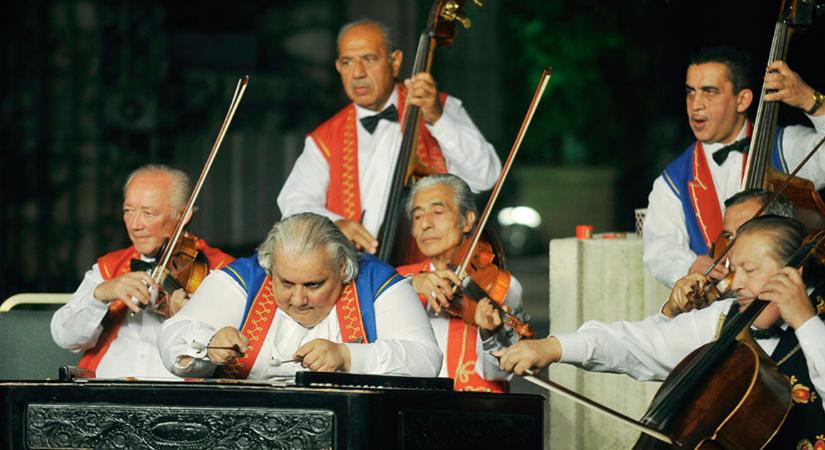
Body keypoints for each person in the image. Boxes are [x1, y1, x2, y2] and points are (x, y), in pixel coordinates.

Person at [497, 216, 825, 447]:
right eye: (734, 269)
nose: (735, 283)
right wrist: (553, 348)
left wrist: (805, 322)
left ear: (792, 272)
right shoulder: (727, 318)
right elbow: (638, 342)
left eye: (749, 271)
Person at [277, 19, 501, 254]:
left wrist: (437, 119)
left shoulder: (439, 107)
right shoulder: (323, 139)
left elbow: (486, 176)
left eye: (369, 59)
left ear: (395, 62)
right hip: (362, 276)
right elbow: (293, 204)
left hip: (434, 271)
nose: (358, 73)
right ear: (338, 67)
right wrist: (334, 224)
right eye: (347, 62)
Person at [158, 212, 442, 379]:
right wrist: (208, 345)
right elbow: (172, 336)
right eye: (286, 283)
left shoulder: (376, 280)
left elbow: (426, 360)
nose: (297, 299)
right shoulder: (247, 277)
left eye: (313, 285)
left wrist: (347, 356)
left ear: (342, 268)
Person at [643, 46, 825, 288]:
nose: (695, 105)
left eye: (709, 92)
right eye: (690, 92)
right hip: (715, 312)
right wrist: (687, 265)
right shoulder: (672, 181)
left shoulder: (785, 146)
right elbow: (659, 248)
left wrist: (813, 102)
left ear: (743, 100)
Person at [51, 164, 234, 378]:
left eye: (148, 213)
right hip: (104, 396)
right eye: (128, 211)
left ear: (183, 216)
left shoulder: (222, 271)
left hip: (178, 401)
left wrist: (189, 317)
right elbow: (65, 338)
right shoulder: (111, 267)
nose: (135, 224)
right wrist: (100, 296)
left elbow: (226, 355)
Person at [396, 174, 524, 392]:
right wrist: (412, 284)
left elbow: (500, 373)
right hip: (410, 407)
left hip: (474, 411)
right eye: (417, 217)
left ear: (467, 221)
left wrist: (490, 334)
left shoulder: (502, 285)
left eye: (437, 212)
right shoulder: (397, 280)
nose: (425, 224)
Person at [662, 188, 794, 318]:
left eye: (745, 233)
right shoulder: (722, 306)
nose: (732, 248)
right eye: (728, 236)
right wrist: (671, 310)